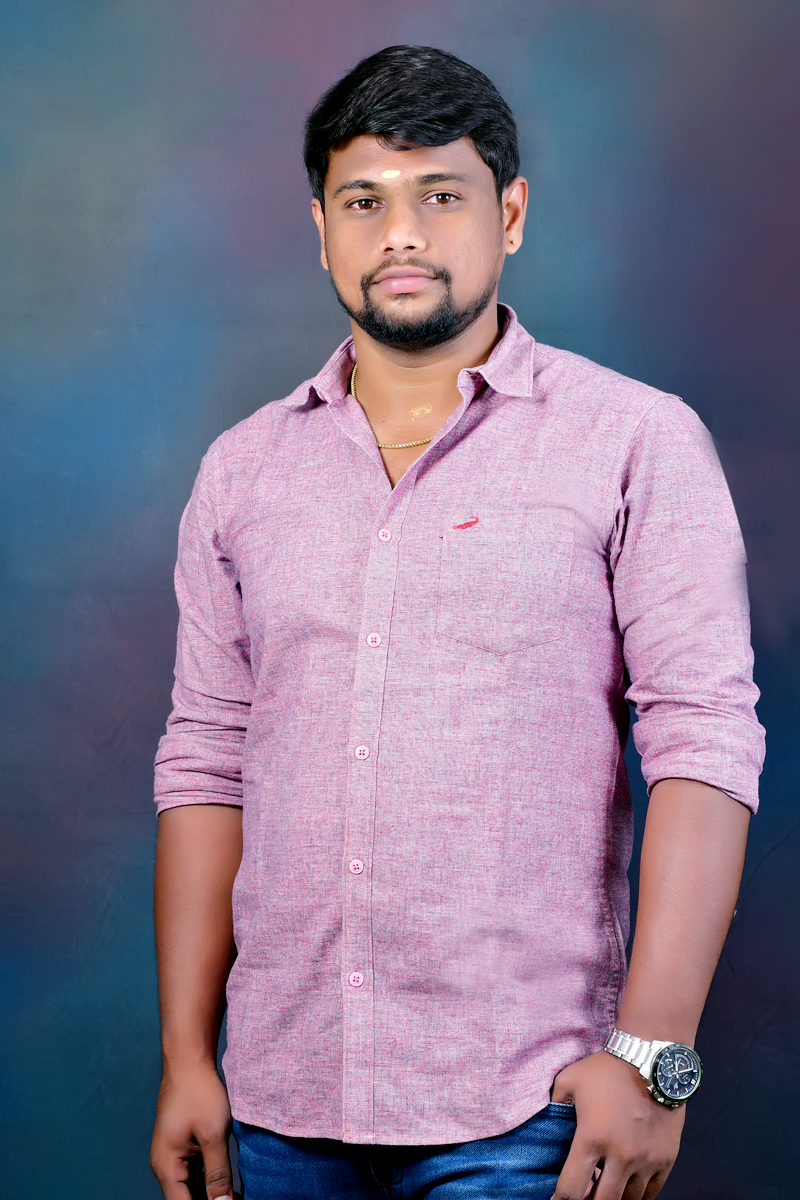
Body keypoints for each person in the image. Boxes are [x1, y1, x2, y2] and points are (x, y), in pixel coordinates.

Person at [149, 45, 765, 1200]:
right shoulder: (241, 471)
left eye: (440, 195)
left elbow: (702, 741)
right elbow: (206, 761)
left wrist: (650, 1059)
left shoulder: (635, 441)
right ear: (320, 229)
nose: (401, 234)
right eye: (363, 202)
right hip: (277, 1106)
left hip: (527, 1111)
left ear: (509, 213)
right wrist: (188, 1058)